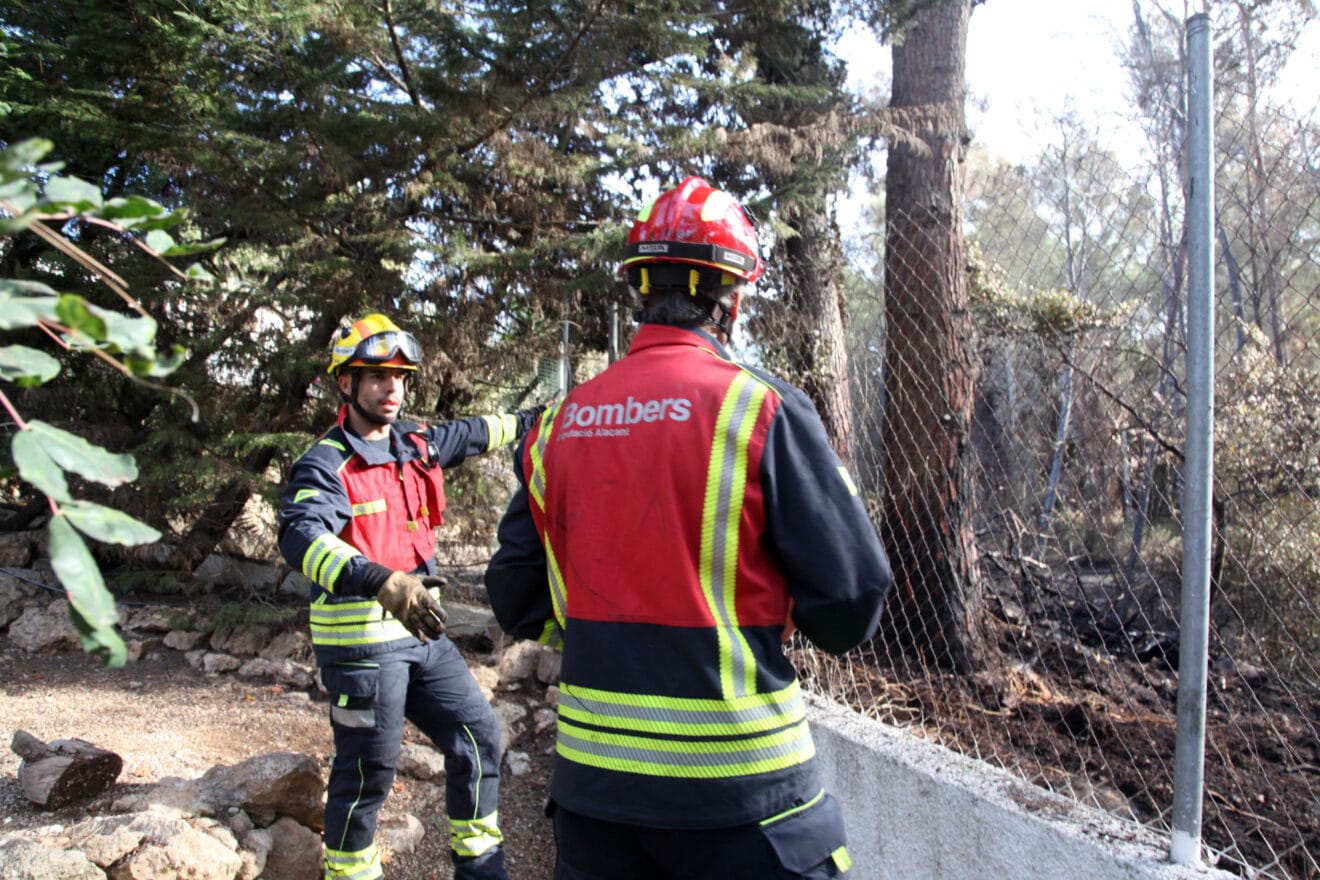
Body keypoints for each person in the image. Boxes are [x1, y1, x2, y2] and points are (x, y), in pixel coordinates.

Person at [484, 177, 894, 879]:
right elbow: (851, 602)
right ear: (731, 301)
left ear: (640, 290)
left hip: (595, 797)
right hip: (744, 798)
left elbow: (517, 597)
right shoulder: (762, 411)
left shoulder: (558, 424)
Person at [278, 312, 541, 880]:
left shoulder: (414, 443)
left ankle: (481, 869)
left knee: (479, 737)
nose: (391, 387)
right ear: (344, 384)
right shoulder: (326, 464)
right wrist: (381, 580)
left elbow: (474, 432)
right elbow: (300, 538)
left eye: (399, 376)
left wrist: (533, 420)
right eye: (375, 376)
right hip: (360, 649)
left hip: (422, 638)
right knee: (369, 774)